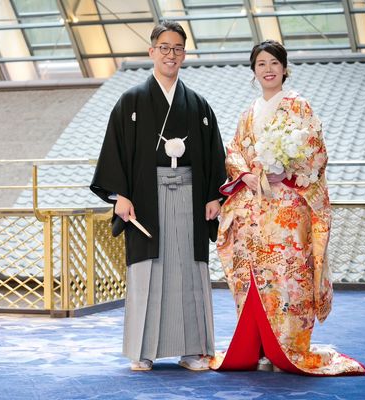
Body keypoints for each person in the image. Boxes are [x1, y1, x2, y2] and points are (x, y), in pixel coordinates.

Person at [212, 40, 365, 376]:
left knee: (288, 276)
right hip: (253, 208)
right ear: (254, 72)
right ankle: (260, 347)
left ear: (284, 68)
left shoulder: (299, 106)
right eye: (261, 64)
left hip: (287, 208)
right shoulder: (248, 113)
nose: (268, 69)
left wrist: (287, 171)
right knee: (253, 275)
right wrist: (245, 174)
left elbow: (316, 152)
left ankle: (288, 347)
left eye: (273, 63)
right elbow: (234, 151)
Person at [90, 20, 226, 372]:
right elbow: (116, 150)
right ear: (152, 52)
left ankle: (192, 349)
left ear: (184, 54)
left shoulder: (198, 105)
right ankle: (143, 350)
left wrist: (214, 196)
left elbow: (214, 154)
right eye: (164, 47)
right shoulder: (131, 101)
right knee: (147, 271)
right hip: (145, 199)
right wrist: (119, 195)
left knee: (189, 271)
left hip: (190, 197)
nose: (171, 54)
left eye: (177, 48)